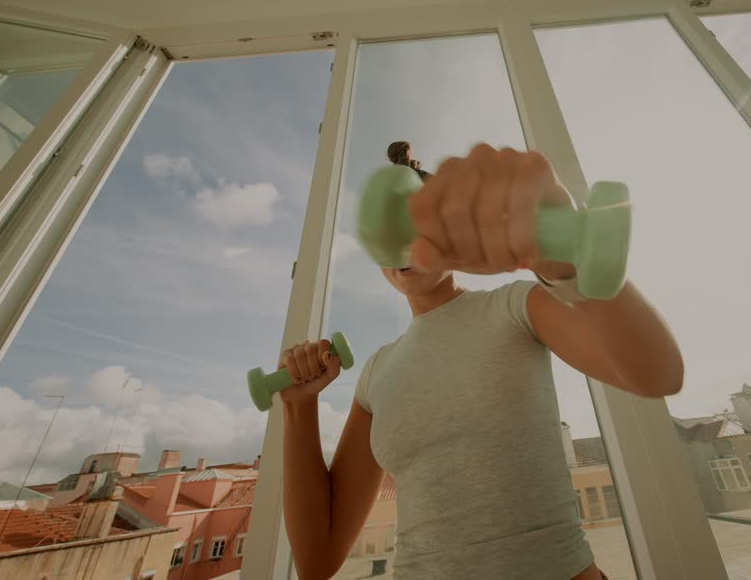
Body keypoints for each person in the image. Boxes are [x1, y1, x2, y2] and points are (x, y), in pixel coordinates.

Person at [280, 144, 684, 580]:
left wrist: (575, 267)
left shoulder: (514, 306)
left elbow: (658, 373)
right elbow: (317, 561)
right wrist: (298, 407)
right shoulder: (378, 372)